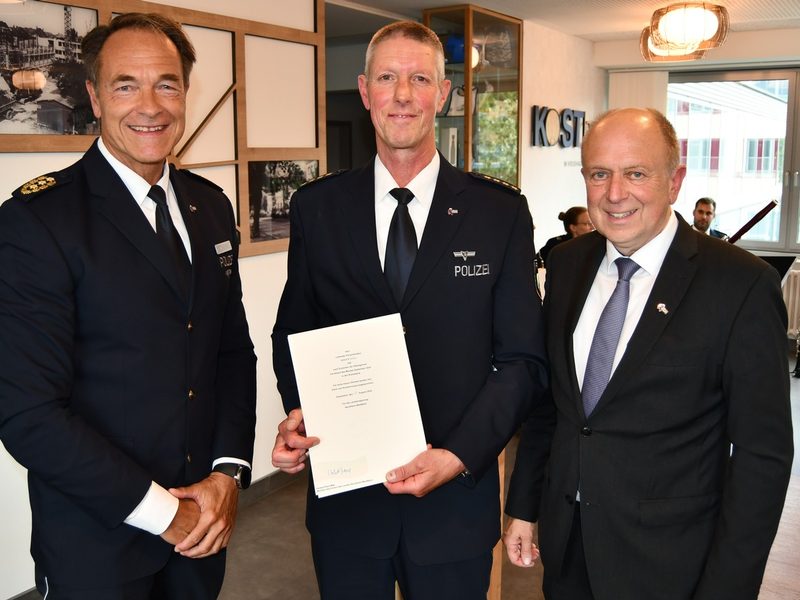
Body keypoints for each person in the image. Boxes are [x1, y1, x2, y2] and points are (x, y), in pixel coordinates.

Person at [270, 21, 549, 600]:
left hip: (454, 504)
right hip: (348, 505)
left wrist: (459, 456)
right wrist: (301, 409)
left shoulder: (499, 213)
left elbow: (522, 361)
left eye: (420, 79)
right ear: (364, 90)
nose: (402, 95)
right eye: (387, 78)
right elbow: (294, 332)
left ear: (442, 95)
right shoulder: (318, 207)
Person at [0, 13, 257, 599]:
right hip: (98, 545)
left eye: (167, 84)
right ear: (94, 97)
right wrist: (165, 514)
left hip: (202, 533)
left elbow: (230, 352)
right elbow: (27, 412)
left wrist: (227, 472)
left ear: (185, 93)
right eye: (126, 86)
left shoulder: (211, 208)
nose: (151, 106)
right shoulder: (38, 221)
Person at [503, 108, 793, 600]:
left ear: (675, 181)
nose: (615, 194)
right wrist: (525, 506)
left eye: (636, 173)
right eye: (600, 174)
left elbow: (762, 456)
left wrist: (728, 588)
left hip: (670, 565)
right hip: (566, 550)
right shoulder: (566, 264)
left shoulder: (740, 285)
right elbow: (552, 405)